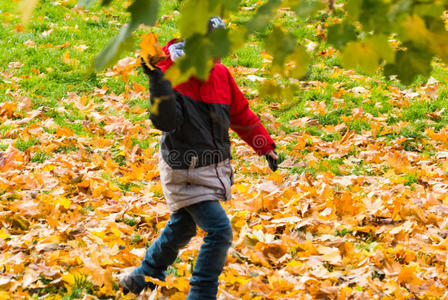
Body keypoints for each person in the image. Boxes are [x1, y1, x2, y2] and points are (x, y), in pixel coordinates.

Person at [119, 17, 278, 299]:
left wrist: (263, 145)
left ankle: (144, 275)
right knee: (219, 231)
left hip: (212, 167)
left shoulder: (220, 74)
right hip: (185, 169)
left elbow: (241, 114)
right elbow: (165, 121)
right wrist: (157, 80)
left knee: (182, 226)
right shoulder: (172, 73)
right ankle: (202, 294)